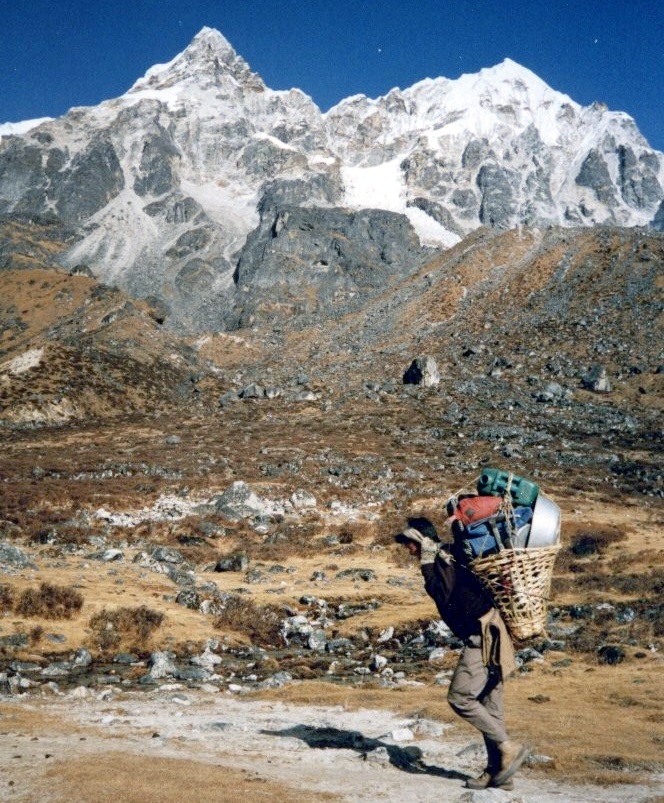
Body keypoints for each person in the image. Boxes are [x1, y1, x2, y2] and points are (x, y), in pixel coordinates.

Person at [395, 516, 530, 790]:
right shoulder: (449, 555)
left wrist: (427, 564)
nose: (408, 550)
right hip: (494, 629)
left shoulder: (439, 561)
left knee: (460, 697)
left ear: (420, 540)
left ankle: (508, 747)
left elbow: (442, 593)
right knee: (491, 706)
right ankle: (500, 773)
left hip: (483, 636)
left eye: (410, 543)